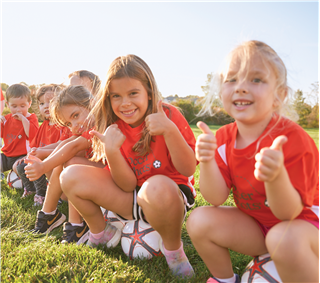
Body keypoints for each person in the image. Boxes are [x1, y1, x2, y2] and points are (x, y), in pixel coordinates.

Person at [187, 40, 319, 283]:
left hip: (306, 229)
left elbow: (290, 213)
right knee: (199, 220)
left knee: (283, 239)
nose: (241, 88)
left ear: (279, 95)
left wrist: (275, 177)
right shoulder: (224, 138)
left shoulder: (293, 140)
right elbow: (215, 197)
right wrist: (206, 161)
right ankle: (225, 280)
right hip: (260, 227)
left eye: (256, 79)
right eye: (232, 79)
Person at [59, 55, 197, 278]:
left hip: (168, 198)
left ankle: (173, 250)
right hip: (132, 197)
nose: (125, 103)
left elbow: (188, 169)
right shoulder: (113, 126)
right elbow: (126, 184)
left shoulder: (168, 115)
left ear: (149, 92)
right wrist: (112, 152)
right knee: (69, 175)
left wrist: (170, 131)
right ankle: (101, 232)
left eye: (133, 93)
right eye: (116, 96)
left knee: (156, 186)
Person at [25, 85, 104, 244]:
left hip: (113, 183)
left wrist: (43, 166)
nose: (74, 125)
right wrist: (41, 151)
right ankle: (51, 215)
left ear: (91, 104)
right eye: (68, 123)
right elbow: (65, 143)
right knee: (68, 161)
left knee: (71, 161)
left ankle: (74, 224)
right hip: (98, 181)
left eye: (75, 115)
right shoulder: (84, 127)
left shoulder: (101, 125)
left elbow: (73, 147)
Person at [14, 84, 65, 205]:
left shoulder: (62, 126)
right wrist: (27, 157)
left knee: (35, 164)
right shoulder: (43, 126)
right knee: (21, 166)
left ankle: (42, 194)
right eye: (42, 104)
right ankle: (31, 190)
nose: (46, 106)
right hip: (40, 160)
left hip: (54, 165)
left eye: (50, 102)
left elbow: (62, 147)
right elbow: (34, 146)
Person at [0, 84, 39, 175]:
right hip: (7, 156)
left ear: (29, 104)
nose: (18, 110)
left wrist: (23, 120)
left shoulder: (32, 118)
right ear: (8, 105)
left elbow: (32, 135)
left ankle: (27, 185)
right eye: (14, 106)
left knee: (22, 168)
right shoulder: (6, 119)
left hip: (23, 156)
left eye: (22, 106)